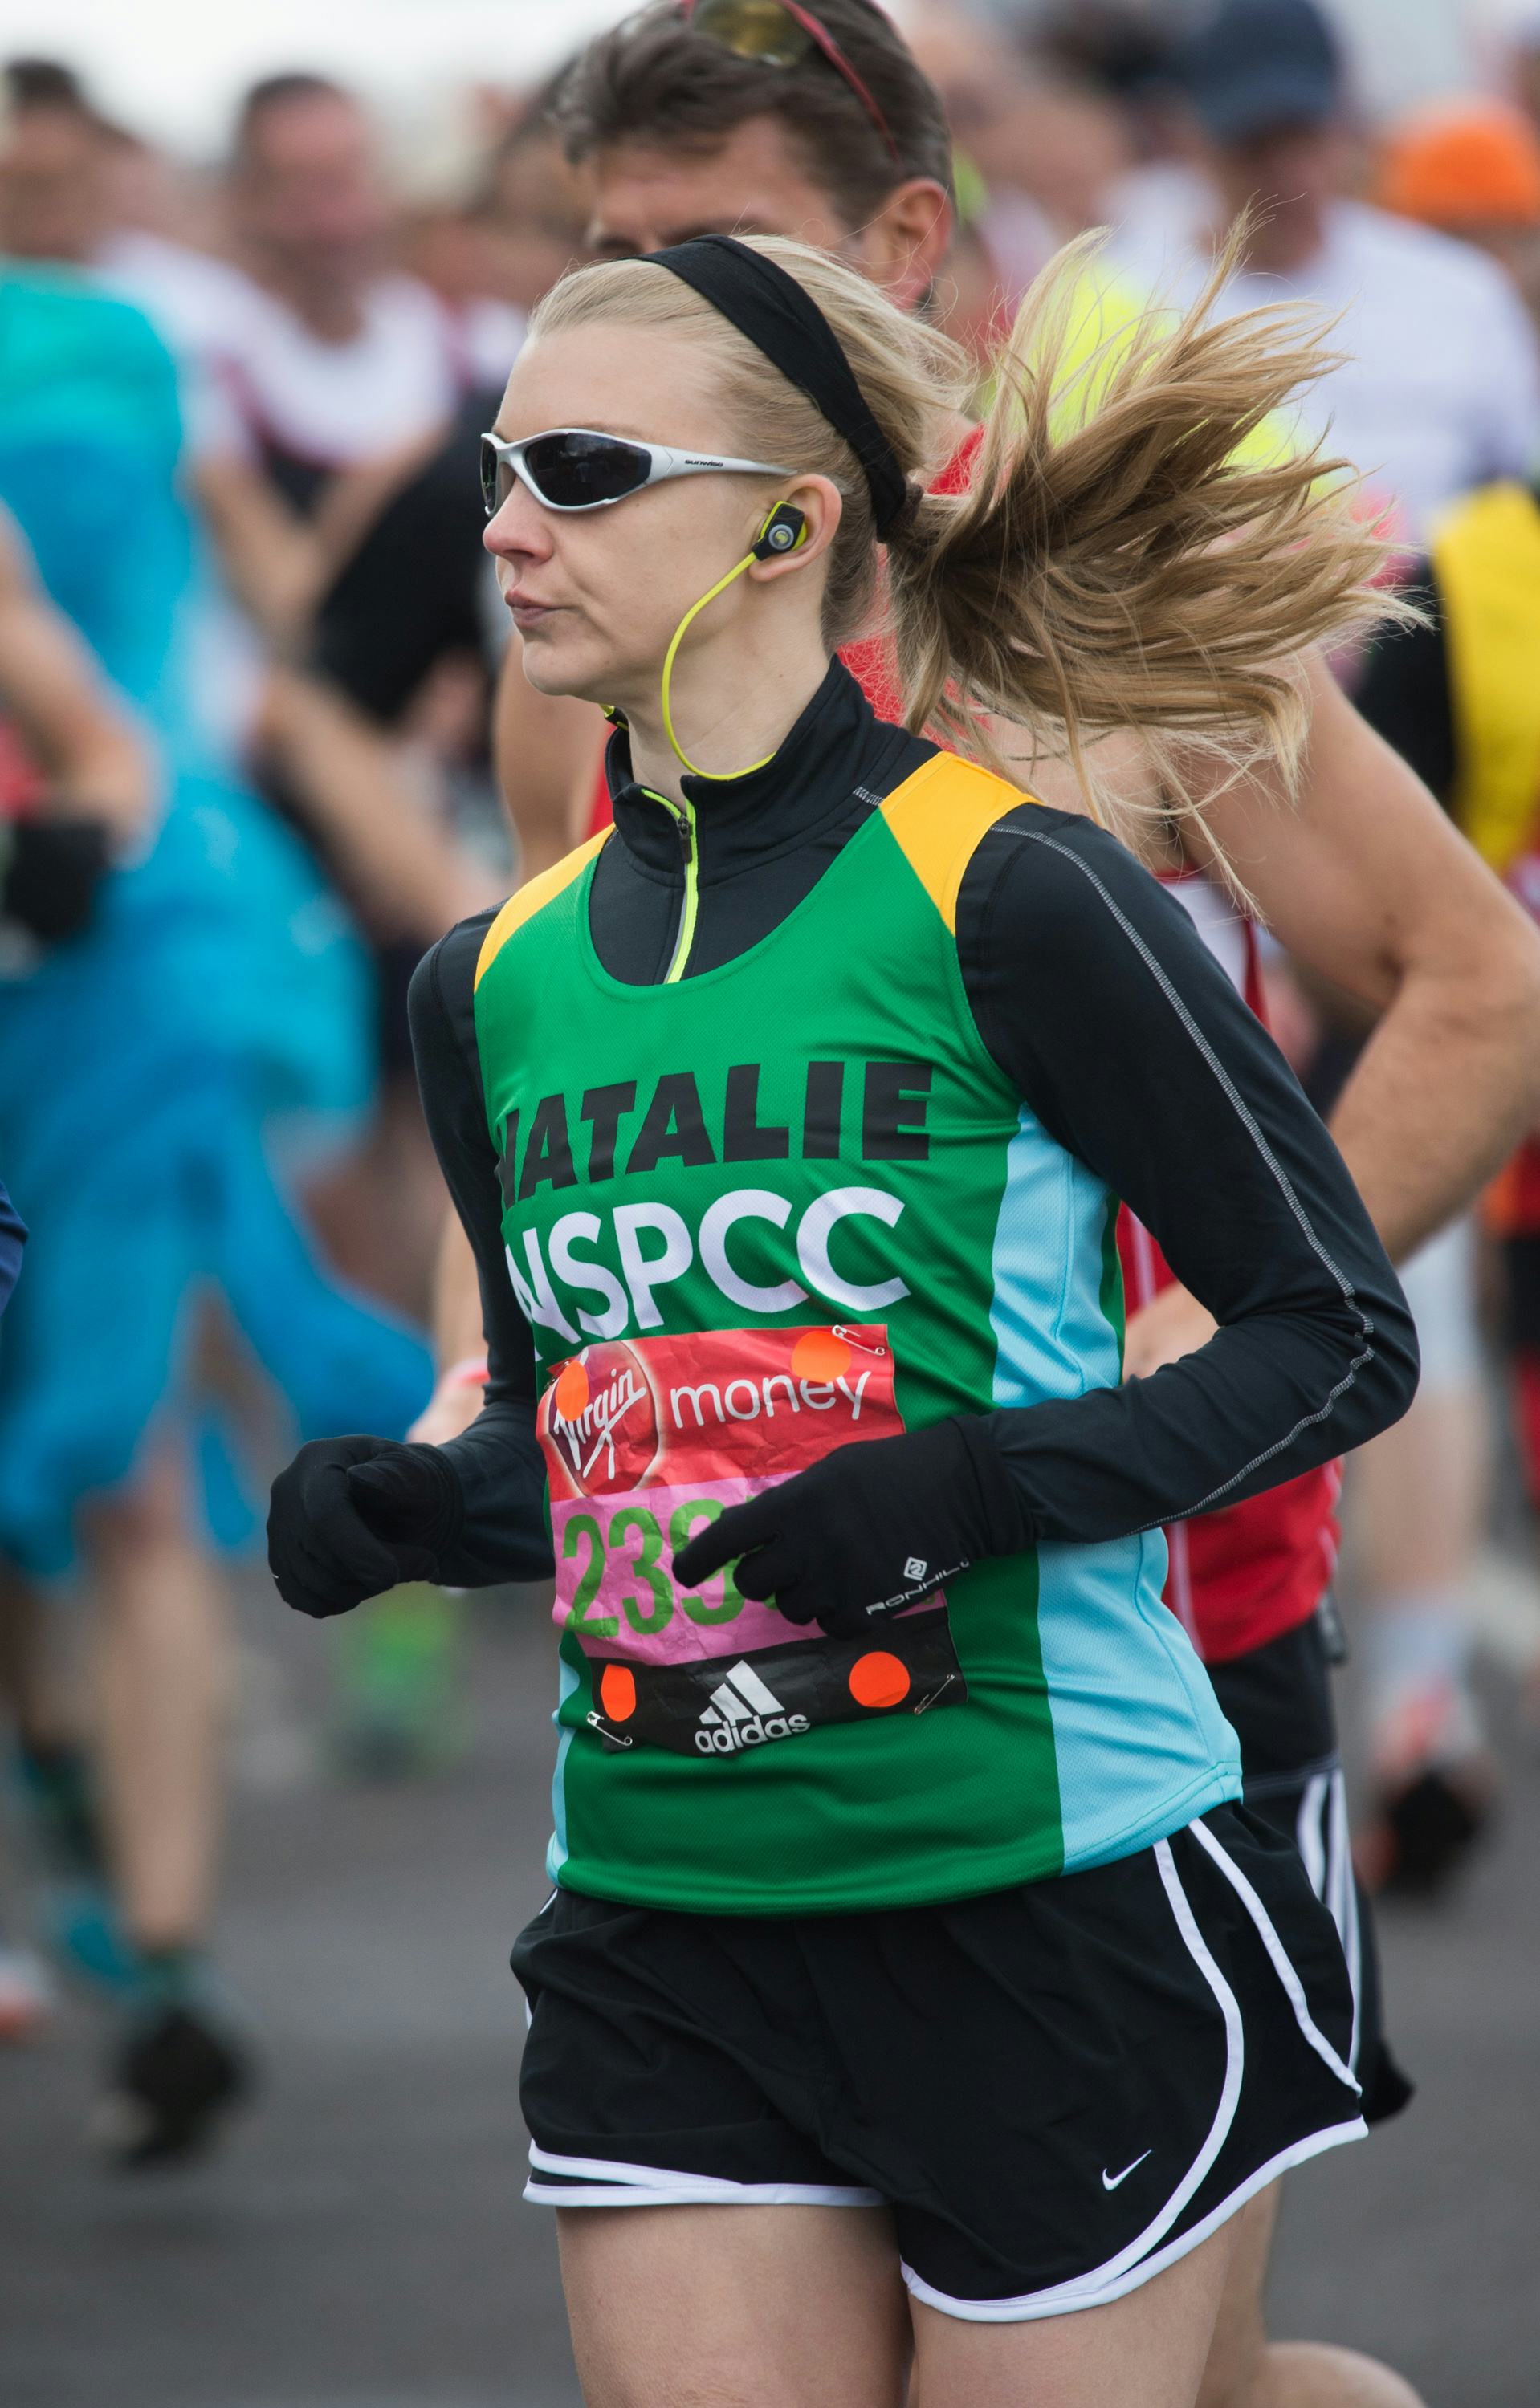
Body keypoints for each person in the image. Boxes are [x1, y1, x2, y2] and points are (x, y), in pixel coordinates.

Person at [405, 11, 1540, 2406]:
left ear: (904, 247)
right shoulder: (579, 659)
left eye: (702, 253)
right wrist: (490, 1410)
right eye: (599, 264)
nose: (631, 319)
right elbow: (545, 1099)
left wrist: (1140, 1395)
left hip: (1161, 1644)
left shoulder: (1094, 600)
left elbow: (1464, 990)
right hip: (743, 1684)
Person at [0, 257, 430, 2162]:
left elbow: (100, 727)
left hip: (95, 1019)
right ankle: (76, 1805)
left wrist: (80, 838)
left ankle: (168, 1963)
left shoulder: (122, 346)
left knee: (115, 1459)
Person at [1351, 478, 1540, 1887]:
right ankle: (1413, 1700)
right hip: (1450, 998)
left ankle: (1411, 1700)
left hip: (1441, 1002)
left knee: (1397, 1299)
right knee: (1415, 1302)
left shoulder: (1469, 561)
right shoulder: (1466, 567)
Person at [1109, 0, 1540, 546]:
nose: (1289, 172)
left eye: (1305, 136)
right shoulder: (1130, 299)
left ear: (1346, 122)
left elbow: (1520, 474)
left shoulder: (1457, 288)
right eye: (1255, 145)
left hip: (1446, 609)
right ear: (1191, 136)